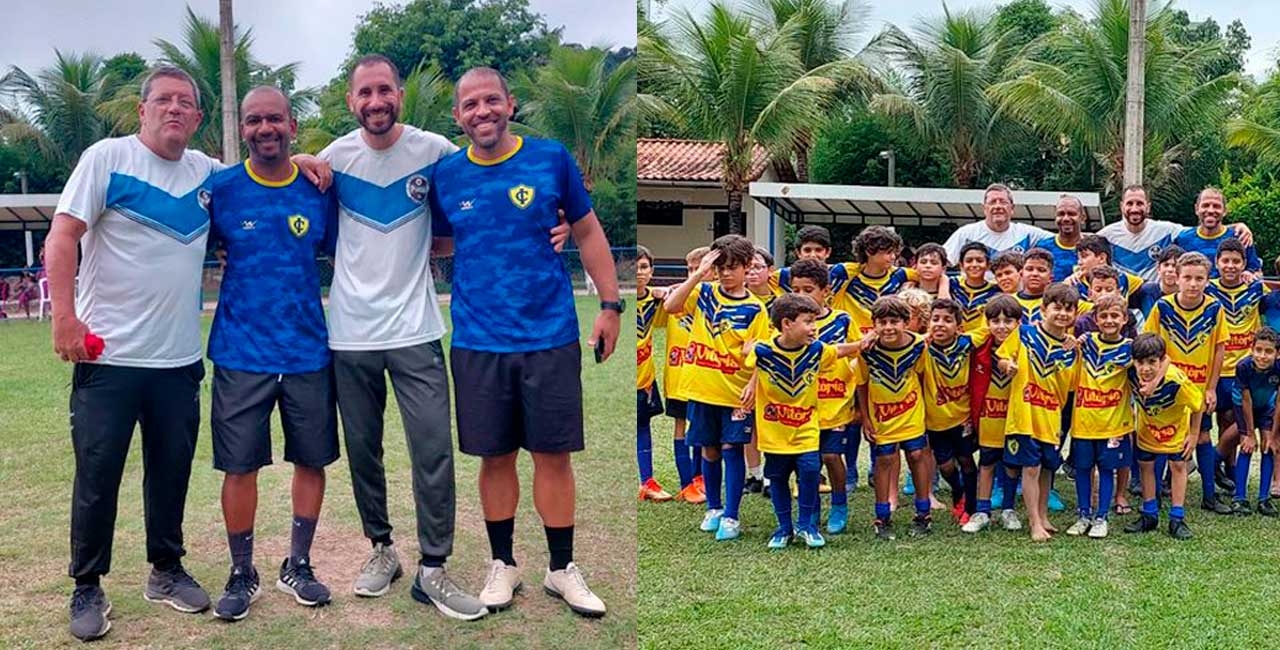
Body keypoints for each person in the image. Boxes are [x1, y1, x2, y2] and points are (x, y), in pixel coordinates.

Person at [429, 66, 621, 618]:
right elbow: (440, 241)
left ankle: (561, 569)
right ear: (458, 116)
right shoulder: (447, 175)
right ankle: (502, 564)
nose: (481, 111)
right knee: (494, 457)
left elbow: (586, 230)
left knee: (553, 455)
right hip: (478, 340)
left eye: (491, 100)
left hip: (549, 334)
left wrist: (610, 306)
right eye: (470, 105)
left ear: (510, 104)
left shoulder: (550, 158)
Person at [47, 65, 220, 642]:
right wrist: (65, 319)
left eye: (186, 103)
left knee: (169, 474)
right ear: (142, 110)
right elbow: (63, 235)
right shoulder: (107, 158)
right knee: (98, 476)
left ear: (197, 118)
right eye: (163, 100)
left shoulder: (207, 175)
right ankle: (87, 584)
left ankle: (166, 571)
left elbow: (267, 178)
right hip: (109, 359)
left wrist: (309, 164)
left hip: (177, 361)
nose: (175, 109)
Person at [320, 54, 486, 619]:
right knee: (364, 451)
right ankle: (381, 548)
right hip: (349, 336)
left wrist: (556, 221)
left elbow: (476, 204)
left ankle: (433, 566)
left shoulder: (436, 151)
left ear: (400, 95)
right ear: (351, 100)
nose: (375, 102)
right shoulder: (331, 160)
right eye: (364, 92)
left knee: (432, 449)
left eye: (384, 90)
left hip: (416, 332)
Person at [205, 87, 340, 620]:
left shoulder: (321, 187)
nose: (266, 129)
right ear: (242, 127)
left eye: (276, 120)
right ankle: (242, 572)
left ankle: (298, 564)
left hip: (308, 350)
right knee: (240, 468)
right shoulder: (219, 189)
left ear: (292, 124)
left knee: (311, 460)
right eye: (255, 120)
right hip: (241, 352)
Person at [664, 235, 770, 544]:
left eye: (733, 267)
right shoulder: (705, 293)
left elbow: (759, 352)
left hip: (735, 393)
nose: (725, 273)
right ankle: (714, 507)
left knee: (731, 449)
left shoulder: (755, 309)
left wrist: (753, 384)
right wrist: (699, 273)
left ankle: (732, 515)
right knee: (708, 449)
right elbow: (671, 305)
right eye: (720, 267)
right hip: (701, 389)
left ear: (747, 268)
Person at [743, 294, 861, 549]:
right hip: (775, 433)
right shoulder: (764, 350)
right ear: (787, 323)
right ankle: (784, 528)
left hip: (807, 429)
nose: (814, 327)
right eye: (808, 322)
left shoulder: (817, 350)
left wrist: (863, 343)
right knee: (777, 477)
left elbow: (839, 350)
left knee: (809, 472)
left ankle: (807, 525)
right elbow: (749, 355)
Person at [1143, 252, 1230, 515]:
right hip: (1165, 388)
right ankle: (1153, 497)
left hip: (1198, 387)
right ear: (1177, 278)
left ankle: (1209, 495)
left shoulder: (1215, 308)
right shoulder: (1162, 307)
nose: (1193, 284)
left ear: (1207, 280)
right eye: (1188, 278)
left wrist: (1212, 387)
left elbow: (1219, 349)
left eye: (1199, 278)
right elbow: (1150, 346)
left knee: (1202, 436)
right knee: (1159, 440)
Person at [996, 283, 1081, 542]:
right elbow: (1002, 358)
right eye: (1057, 308)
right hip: (1023, 417)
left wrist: (1076, 346)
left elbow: (1071, 387)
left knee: (1047, 468)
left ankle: (1043, 516)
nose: (1062, 314)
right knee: (1030, 468)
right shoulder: (1024, 334)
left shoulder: (1072, 349)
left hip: (1051, 417)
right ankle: (1033, 522)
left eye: (1069, 309)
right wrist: (1007, 365)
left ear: (1075, 314)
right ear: (1044, 309)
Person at [789, 259, 859, 534]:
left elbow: (858, 353)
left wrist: (850, 379)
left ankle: (840, 504)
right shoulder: (789, 322)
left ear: (826, 290)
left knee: (832, 456)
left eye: (809, 289)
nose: (802, 295)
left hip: (836, 402)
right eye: (796, 289)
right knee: (808, 462)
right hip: (802, 405)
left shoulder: (842, 319)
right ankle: (811, 510)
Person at [857, 295, 934, 540]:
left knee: (917, 455)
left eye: (894, 321)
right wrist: (866, 419)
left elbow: (922, 377)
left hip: (911, 413)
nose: (888, 327)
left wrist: (926, 412)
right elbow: (862, 384)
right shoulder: (867, 350)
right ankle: (882, 516)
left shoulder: (919, 345)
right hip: (882, 417)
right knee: (885, 460)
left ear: (906, 322)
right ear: (874, 324)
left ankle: (923, 513)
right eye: (882, 322)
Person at [1066, 294, 1134, 539]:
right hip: (1084, 422)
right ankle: (1083, 514)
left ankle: (1101, 517)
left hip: (1113, 424)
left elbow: (1157, 360)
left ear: (1124, 319)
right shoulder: (1084, 342)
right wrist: (1073, 342)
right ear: (1095, 319)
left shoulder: (1130, 349)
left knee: (1107, 470)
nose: (1109, 320)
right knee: (1083, 470)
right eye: (1103, 316)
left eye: (1115, 315)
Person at [1207, 239, 1268, 493]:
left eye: (1236, 261)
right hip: (1214, 367)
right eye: (1225, 261)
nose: (1230, 266)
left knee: (1236, 419)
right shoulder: (1207, 289)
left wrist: (1257, 275)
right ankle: (1218, 468)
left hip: (1244, 369)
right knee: (1216, 418)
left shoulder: (1255, 288)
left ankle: (1220, 464)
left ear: (1244, 263)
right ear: (1216, 263)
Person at [1126, 333, 1201, 539]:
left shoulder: (1176, 381)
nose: (1146, 368)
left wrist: (1193, 434)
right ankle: (1149, 514)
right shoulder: (1130, 373)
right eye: (1141, 362)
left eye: (1152, 362)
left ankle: (1177, 518)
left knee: (1178, 467)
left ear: (1161, 361)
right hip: (1146, 430)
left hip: (1175, 431)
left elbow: (1198, 404)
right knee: (1146, 467)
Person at [1098, 184, 1252, 282]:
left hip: (1157, 302)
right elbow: (1085, 246)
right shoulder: (1107, 235)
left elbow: (1206, 227)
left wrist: (1238, 226)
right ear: (1121, 206)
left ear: (1148, 206)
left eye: (1140, 203)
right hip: (1122, 306)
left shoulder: (1168, 231)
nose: (1134, 208)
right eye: (1130, 203)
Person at [961, 294, 1023, 533]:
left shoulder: (1025, 346)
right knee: (986, 462)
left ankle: (1008, 509)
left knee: (1011, 464)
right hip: (987, 417)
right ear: (986, 323)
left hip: (1015, 418)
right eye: (995, 321)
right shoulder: (979, 348)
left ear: (1018, 322)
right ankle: (982, 511)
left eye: (1008, 321)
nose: (1001, 326)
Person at [923, 298, 982, 525]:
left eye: (947, 320)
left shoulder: (967, 342)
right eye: (935, 319)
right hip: (936, 420)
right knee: (945, 465)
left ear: (959, 326)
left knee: (966, 460)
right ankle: (958, 491)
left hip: (963, 417)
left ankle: (971, 506)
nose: (940, 324)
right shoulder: (922, 347)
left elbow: (990, 330)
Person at [665, 246, 710, 504]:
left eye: (699, 269)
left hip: (703, 378)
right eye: (690, 269)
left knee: (702, 431)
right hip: (679, 378)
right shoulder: (677, 298)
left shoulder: (712, 300)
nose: (694, 274)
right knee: (680, 427)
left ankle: (699, 478)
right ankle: (686, 484)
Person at [1229, 327, 1280, 516]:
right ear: (1252, 349)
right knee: (1247, 446)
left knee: (1269, 446)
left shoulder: (1278, 368)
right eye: (1258, 350)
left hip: (1266, 405)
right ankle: (1239, 498)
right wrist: (1249, 434)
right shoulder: (1243, 366)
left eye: (1268, 351)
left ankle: (1263, 499)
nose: (1262, 356)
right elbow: (1246, 400)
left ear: (1277, 353)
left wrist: (1274, 436)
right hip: (1243, 406)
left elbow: (1279, 401)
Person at [637, 246, 674, 502]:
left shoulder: (655, 299)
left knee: (643, 427)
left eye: (643, 267)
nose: (639, 272)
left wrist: (666, 291)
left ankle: (647, 481)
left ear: (651, 271)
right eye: (634, 267)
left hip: (644, 379)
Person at [831, 226, 919, 335]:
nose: (893, 257)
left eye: (894, 252)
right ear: (869, 251)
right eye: (888, 252)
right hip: (853, 341)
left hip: (887, 338)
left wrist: (909, 286)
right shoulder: (844, 273)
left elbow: (929, 275)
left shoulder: (899, 274)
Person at [942, 183, 1052, 262]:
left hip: (1013, 294)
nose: (998, 206)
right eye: (992, 202)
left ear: (1012, 208)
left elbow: (1061, 242)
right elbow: (941, 260)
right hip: (976, 294)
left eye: (1003, 202)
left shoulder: (1027, 234)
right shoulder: (967, 234)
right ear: (984, 208)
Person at [1173, 187, 1261, 278]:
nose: (1210, 210)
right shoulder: (1183, 239)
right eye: (1205, 205)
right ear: (1196, 209)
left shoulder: (1240, 237)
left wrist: (1250, 275)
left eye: (1216, 206)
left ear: (1225, 211)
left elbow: (1257, 272)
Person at [950, 241, 1002, 333]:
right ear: (961, 265)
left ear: (988, 265)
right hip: (953, 341)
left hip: (983, 342)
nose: (974, 265)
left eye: (979, 260)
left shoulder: (996, 291)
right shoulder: (952, 284)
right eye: (969, 261)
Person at [1033, 194, 1087, 281]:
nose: (1066, 218)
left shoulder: (1093, 249)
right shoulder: (1042, 249)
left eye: (1071, 214)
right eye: (1061, 214)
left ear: (1082, 218)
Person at [1015, 248, 1055, 323]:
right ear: (1021, 273)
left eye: (1041, 270)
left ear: (1050, 277)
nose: (1035, 274)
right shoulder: (1010, 301)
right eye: (1029, 269)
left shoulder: (1057, 304)